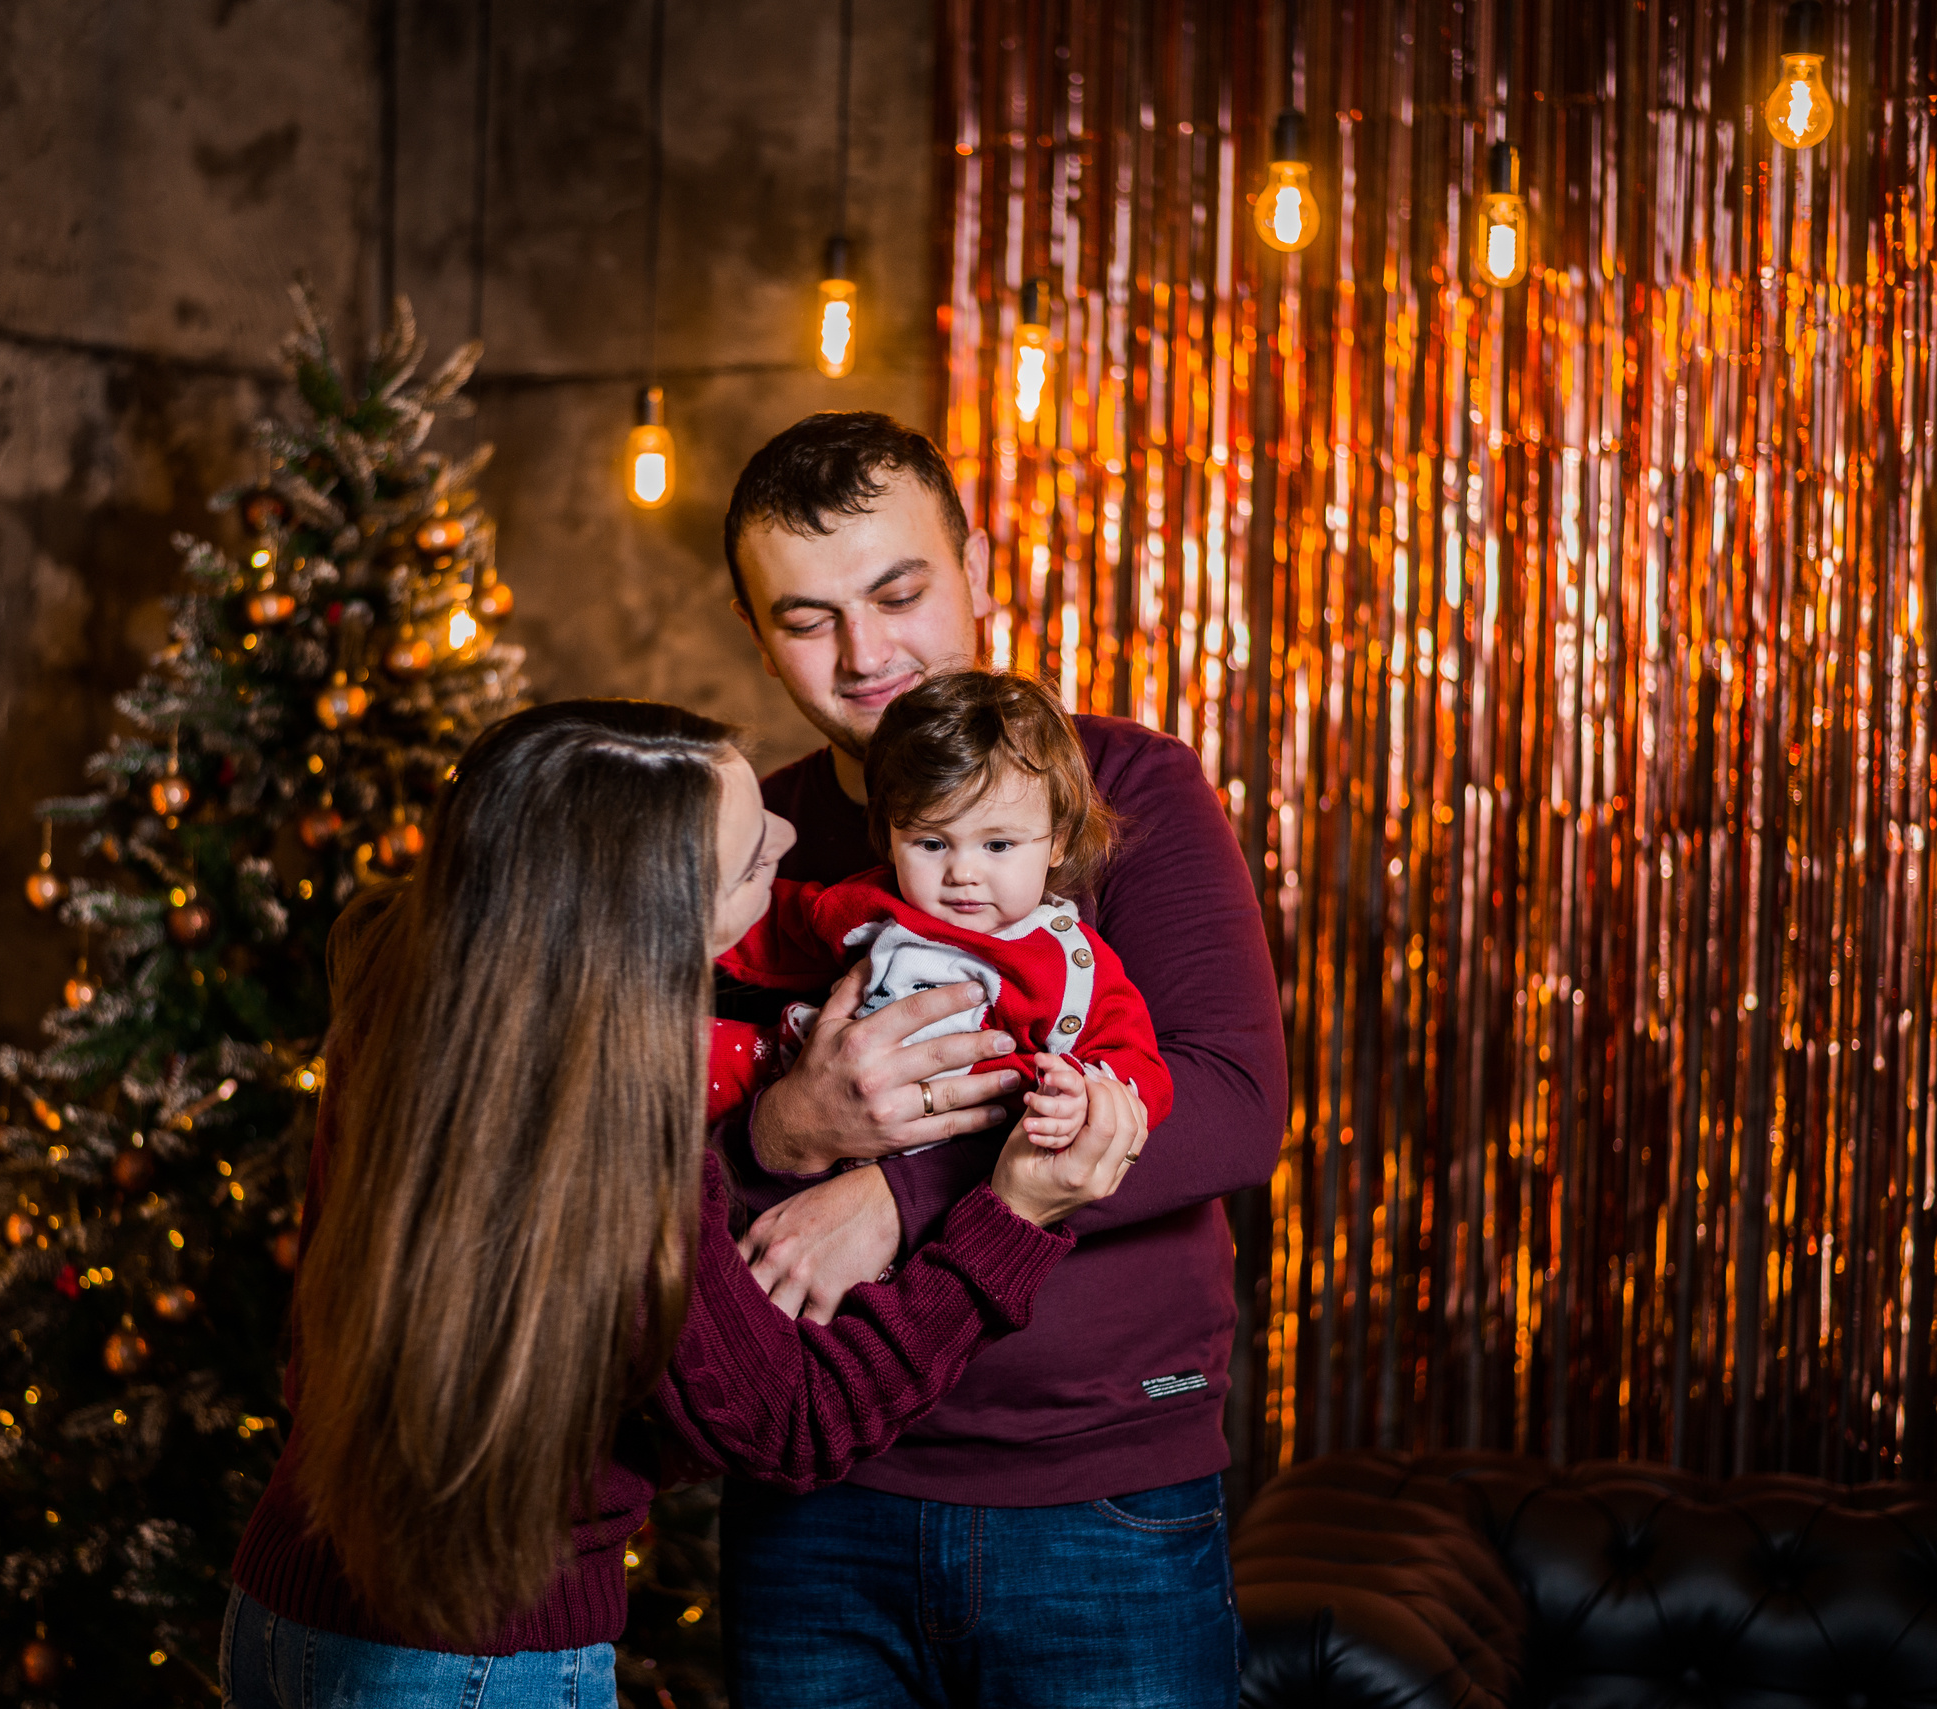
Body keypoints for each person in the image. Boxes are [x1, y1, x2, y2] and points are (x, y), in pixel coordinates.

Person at [221, 699, 1148, 1709]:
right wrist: (1009, 1214)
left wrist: (774, 1138)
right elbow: (795, 1420)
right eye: (754, 858)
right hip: (472, 1655)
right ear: (656, 927)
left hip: (284, 1598)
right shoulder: (603, 1120)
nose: (794, 839)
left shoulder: (440, 992)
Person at [714, 414, 1287, 1709]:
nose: (866, 655)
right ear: (756, 633)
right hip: (814, 1497)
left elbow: (1234, 1109)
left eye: (900, 592)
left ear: (976, 571)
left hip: (1097, 1500)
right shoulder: (753, 838)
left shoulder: (1127, 788)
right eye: (806, 618)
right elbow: (656, 1140)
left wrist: (897, 1194)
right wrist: (786, 1135)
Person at [715, 668, 1173, 1152]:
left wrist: (1081, 1099)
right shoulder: (874, 905)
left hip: (965, 1152)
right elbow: (776, 925)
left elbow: (1136, 1063)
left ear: (1057, 841)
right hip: (816, 1097)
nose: (962, 873)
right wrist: (690, 910)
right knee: (690, 1058)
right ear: (891, 838)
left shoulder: (1069, 965)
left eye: (997, 844)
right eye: (932, 843)